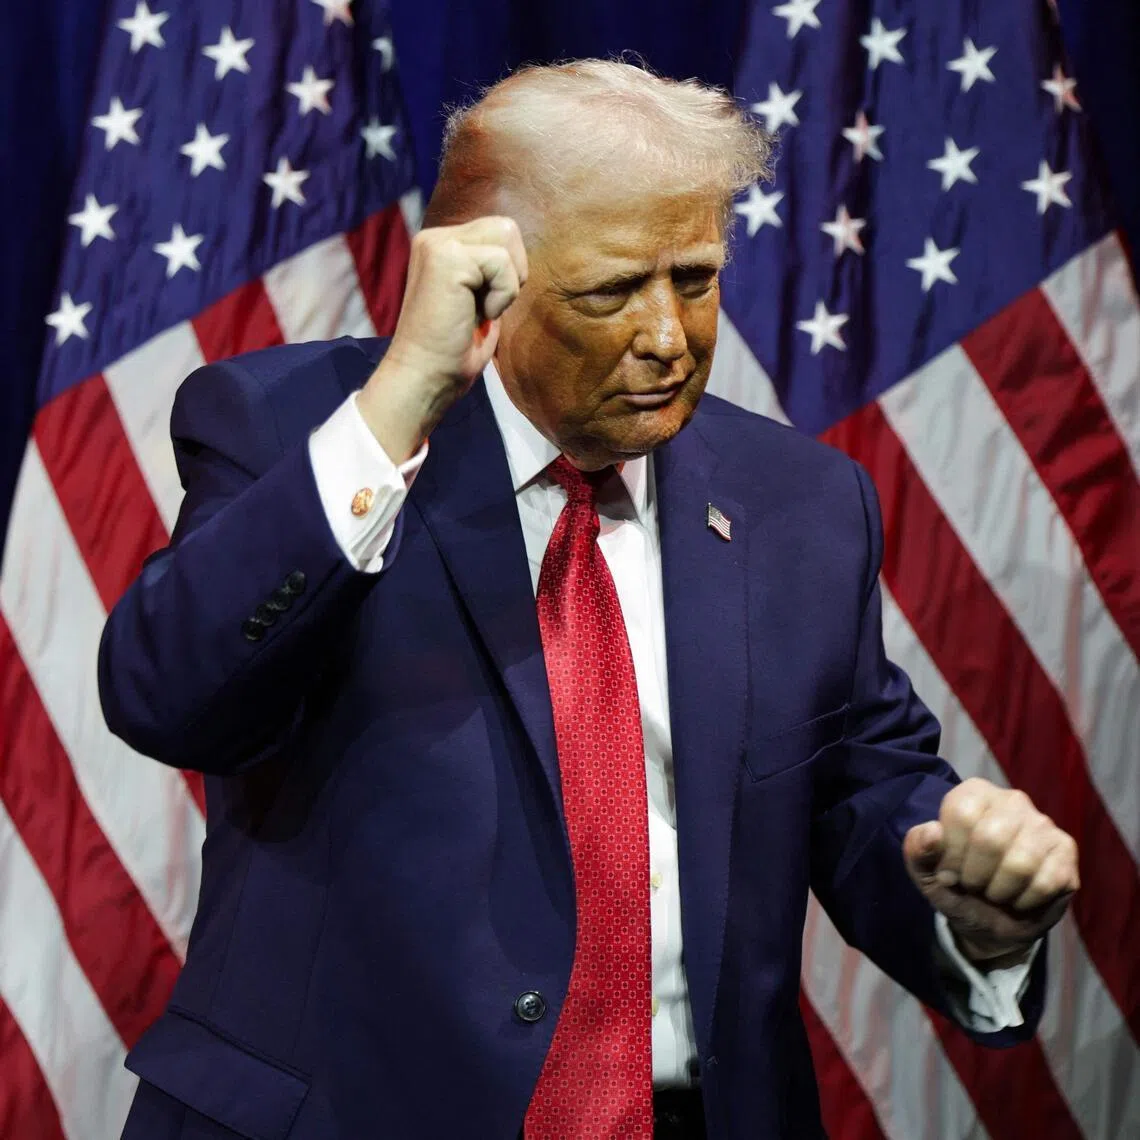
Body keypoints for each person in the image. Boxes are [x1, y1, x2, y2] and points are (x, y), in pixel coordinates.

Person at [101, 61, 1079, 1140]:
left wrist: (974, 908)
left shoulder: (800, 505)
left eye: (695, 278)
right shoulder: (308, 435)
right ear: (484, 276)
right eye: (611, 291)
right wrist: (402, 403)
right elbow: (168, 695)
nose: (668, 336)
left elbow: (866, 792)